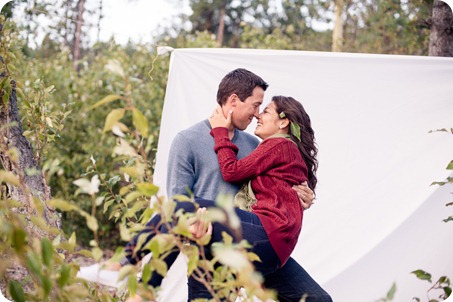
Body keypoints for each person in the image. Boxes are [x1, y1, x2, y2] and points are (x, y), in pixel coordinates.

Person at [111, 69, 330, 301]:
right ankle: (137, 282)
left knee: (317, 299)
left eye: (262, 108)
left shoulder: (256, 143)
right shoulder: (187, 140)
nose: (257, 114)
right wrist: (191, 231)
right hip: (209, 246)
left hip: (253, 239)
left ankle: (129, 272)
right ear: (234, 100)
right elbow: (178, 202)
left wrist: (298, 197)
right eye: (256, 105)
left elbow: (271, 186)